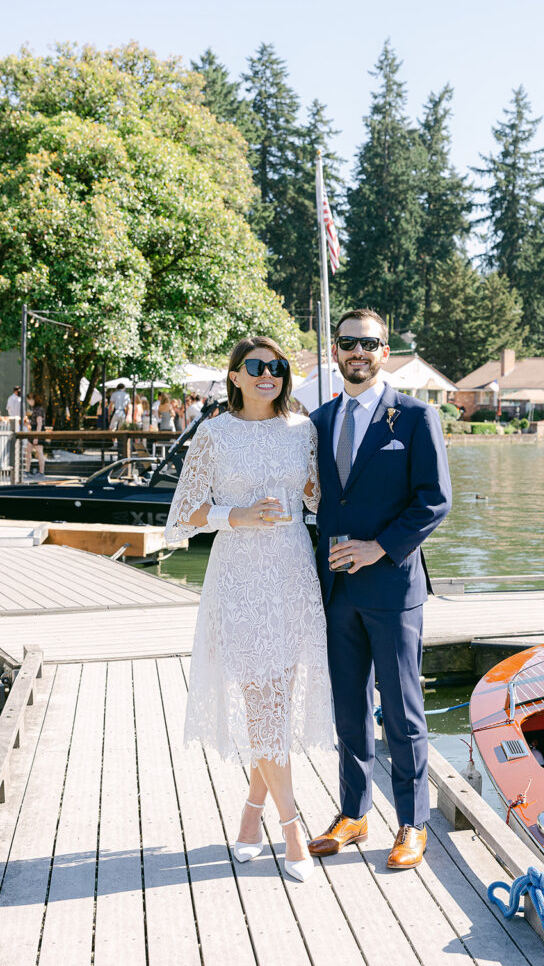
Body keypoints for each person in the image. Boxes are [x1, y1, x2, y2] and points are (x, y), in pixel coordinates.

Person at [165, 336, 333, 882]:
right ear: (234, 376)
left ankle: (250, 815)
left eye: (278, 366)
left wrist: (311, 491)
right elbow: (185, 513)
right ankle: (292, 830)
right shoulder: (213, 433)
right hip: (239, 578)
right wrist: (236, 515)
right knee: (262, 702)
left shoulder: (303, 428)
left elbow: (315, 497)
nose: (269, 374)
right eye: (257, 367)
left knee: (276, 705)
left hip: (291, 572)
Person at [308, 309, 451, 870]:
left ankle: (413, 823)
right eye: (348, 343)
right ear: (336, 352)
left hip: (392, 586)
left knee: (402, 709)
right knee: (348, 708)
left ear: (384, 352)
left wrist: (380, 547)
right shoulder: (318, 420)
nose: (358, 352)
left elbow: (433, 501)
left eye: (368, 343)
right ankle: (353, 813)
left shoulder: (415, 417)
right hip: (335, 588)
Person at [24, 393, 46, 476]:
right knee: (28, 451)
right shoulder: (36, 409)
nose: (28, 402)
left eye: (29, 400)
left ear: (33, 400)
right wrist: (29, 423)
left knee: (39, 452)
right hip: (34, 430)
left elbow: (39, 424)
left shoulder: (39, 409)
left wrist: (36, 436)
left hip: (37, 431)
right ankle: (27, 470)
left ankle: (41, 472)